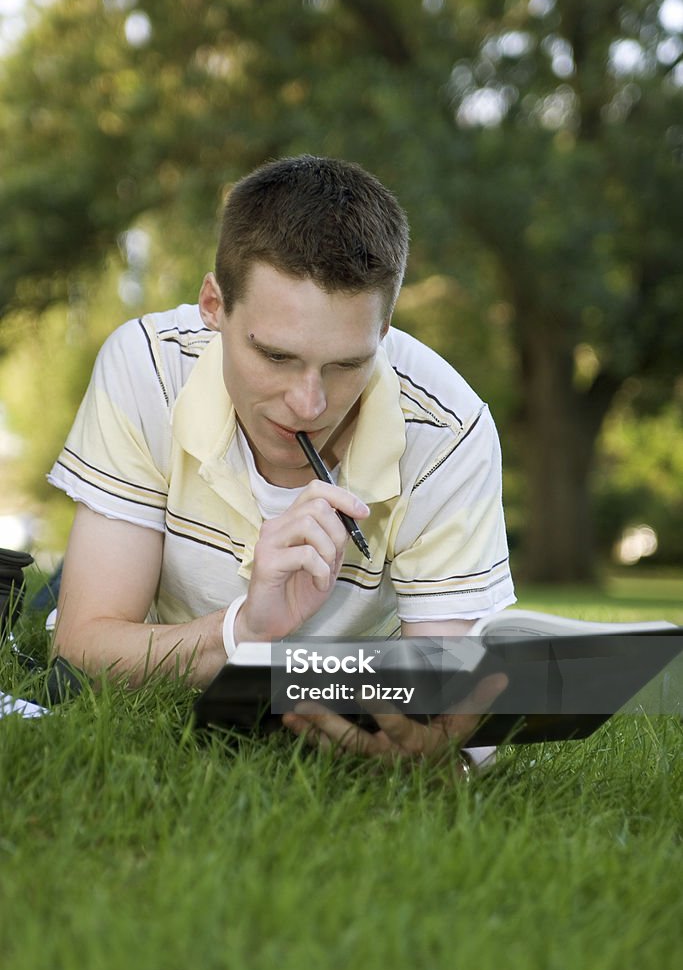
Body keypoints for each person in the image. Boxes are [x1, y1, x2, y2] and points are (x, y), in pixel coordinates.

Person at [48, 155, 515, 765]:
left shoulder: (449, 430)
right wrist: (243, 632)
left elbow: (453, 698)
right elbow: (82, 647)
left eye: (348, 363)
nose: (308, 404)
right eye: (274, 356)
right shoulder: (147, 369)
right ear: (213, 306)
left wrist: (436, 750)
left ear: (385, 329)